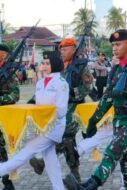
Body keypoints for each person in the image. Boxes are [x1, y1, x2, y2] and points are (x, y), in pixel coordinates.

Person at [64, 29, 127, 190]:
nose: (114, 48)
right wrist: (93, 121)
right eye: (113, 44)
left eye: (118, 44)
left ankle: (90, 186)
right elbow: (106, 98)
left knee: (112, 151)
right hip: (119, 122)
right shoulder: (115, 70)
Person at [0, 51, 69, 190]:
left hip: (53, 128)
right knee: (51, 162)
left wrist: (42, 114)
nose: (44, 66)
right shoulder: (40, 83)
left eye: (48, 63)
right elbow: (36, 104)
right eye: (43, 63)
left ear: (55, 64)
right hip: (40, 127)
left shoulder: (61, 83)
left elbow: (61, 111)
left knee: (24, 154)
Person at [29, 38, 94, 182]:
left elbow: (87, 88)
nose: (62, 52)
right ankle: (74, 173)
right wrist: (33, 100)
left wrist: (70, 92)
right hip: (56, 110)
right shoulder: (57, 66)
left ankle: (44, 162)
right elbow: (47, 84)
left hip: (74, 109)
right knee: (68, 141)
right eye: (61, 49)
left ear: (73, 49)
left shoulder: (81, 66)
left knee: (66, 135)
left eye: (65, 49)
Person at [0, 44, 19, 190]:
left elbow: (15, 95)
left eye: (1, 53)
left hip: (4, 114)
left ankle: (7, 181)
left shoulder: (10, 71)